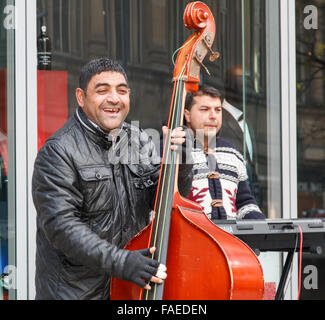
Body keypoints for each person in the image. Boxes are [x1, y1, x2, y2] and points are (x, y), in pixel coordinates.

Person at [32, 58, 193, 300]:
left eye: (122, 91)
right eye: (102, 90)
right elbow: (62, 228)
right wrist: (123, 262)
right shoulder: (58, 151)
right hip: (76, 294)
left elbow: (164, 203)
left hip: (128, 291)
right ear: (80, 97)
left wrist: (181, 161)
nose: (114, 99)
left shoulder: (136, 139)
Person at [183, 85, 265, 220]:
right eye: (205, 109)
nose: (213, 116)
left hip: (228, 240)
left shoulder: (234, 154)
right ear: (188, 115)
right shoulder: (175, 150)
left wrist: (260, 226)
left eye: (218, 110)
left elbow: (245, 203)